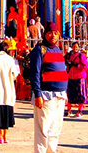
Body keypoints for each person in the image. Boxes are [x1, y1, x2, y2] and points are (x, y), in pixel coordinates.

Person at [30, 21, 68, 153]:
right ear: (45, 34)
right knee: (43, 129)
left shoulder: (58, 50)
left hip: (60, 95)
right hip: (46, 95)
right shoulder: (39, 50)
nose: (53, 35)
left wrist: (65, 93)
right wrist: (38, 94)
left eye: (55, 33)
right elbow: (34, 73)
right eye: (50, 33)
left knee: (55, 129)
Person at [65, 42, 88, 117]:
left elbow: (86, 66)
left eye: (76, 47)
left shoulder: (81, 56)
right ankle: (68, 110)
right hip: (71, 77)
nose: (75, 48)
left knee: (80, 95)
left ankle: (80, 110)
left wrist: (77, 65)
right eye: (74, 47)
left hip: (79, 77)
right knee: (70, 94)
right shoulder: (70, 56)